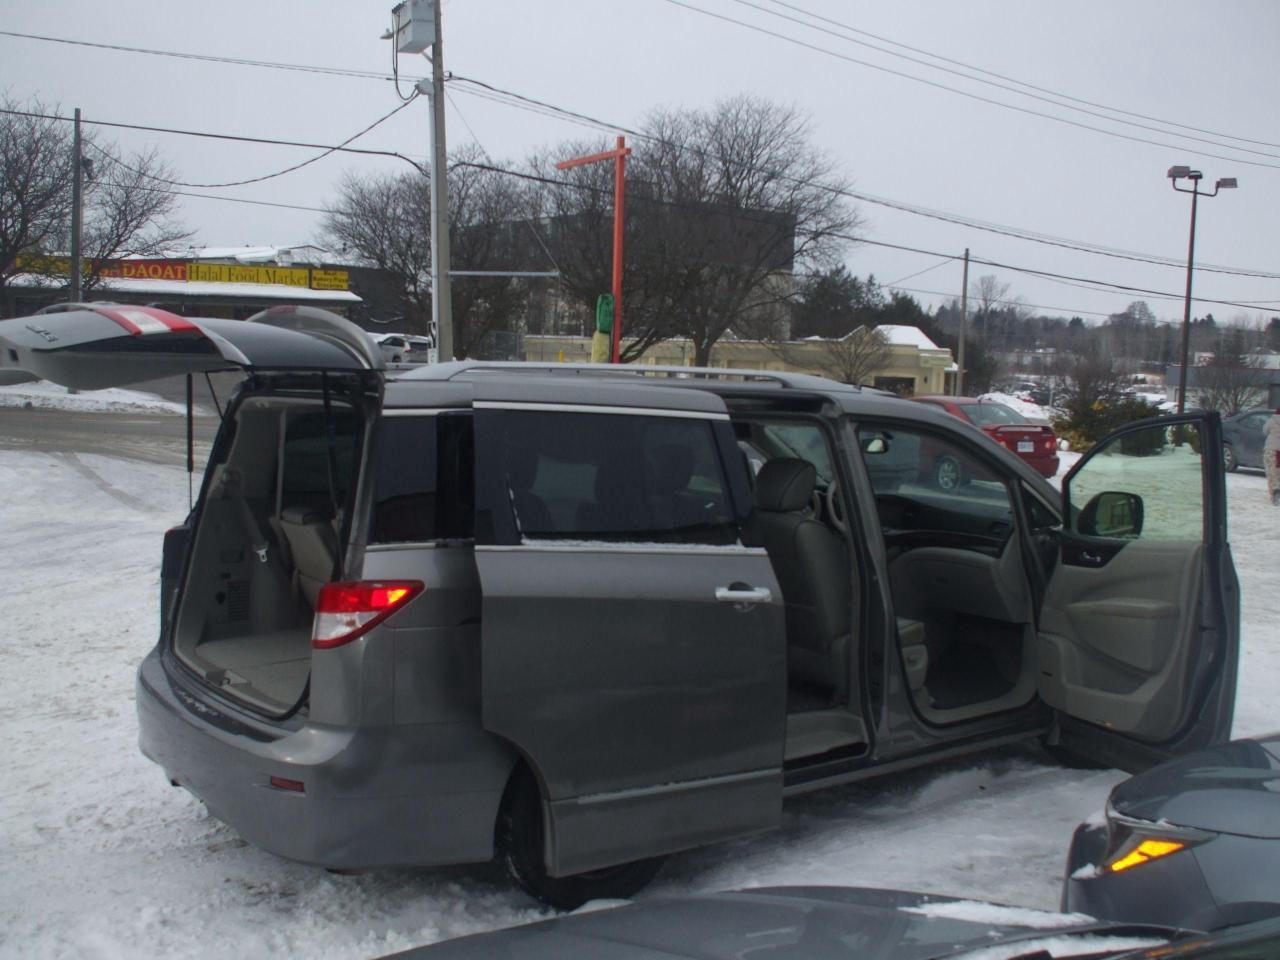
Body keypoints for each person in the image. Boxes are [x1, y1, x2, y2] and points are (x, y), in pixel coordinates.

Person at [1265, 408, 1280, 506]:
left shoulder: (1271, 421)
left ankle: (1274, 493)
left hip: (1271, 449)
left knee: (1271, 472)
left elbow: (1265, 431)